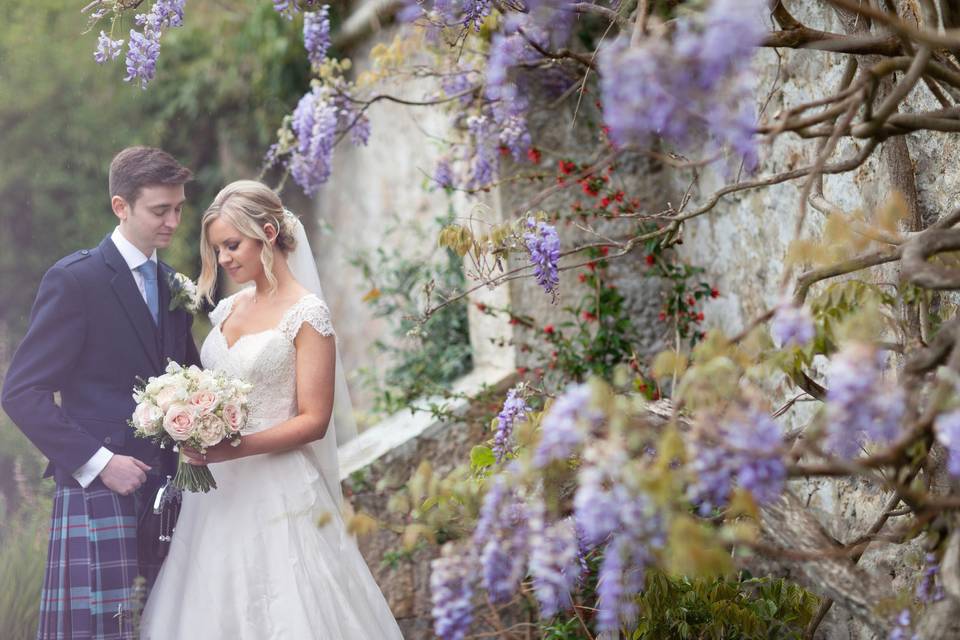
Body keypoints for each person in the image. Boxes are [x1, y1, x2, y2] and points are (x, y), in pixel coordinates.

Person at [140, 180, 404, 639]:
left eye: (231, 245)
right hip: (216, 499)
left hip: (280, 490)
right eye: (218, 249)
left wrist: (231, 449)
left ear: (266, 232)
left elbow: (314, 420)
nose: (223, 259)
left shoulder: (307, 314)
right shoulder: (226, 310)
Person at [1, 146, 200, 639]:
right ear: (121, 206)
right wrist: (100, 462)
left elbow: (191, 378)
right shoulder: (75, 280)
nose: (173, 221)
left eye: (178, 208)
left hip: (168, 494)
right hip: (97, 493)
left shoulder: (175, 285)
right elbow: (21, 392)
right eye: (160, 210)